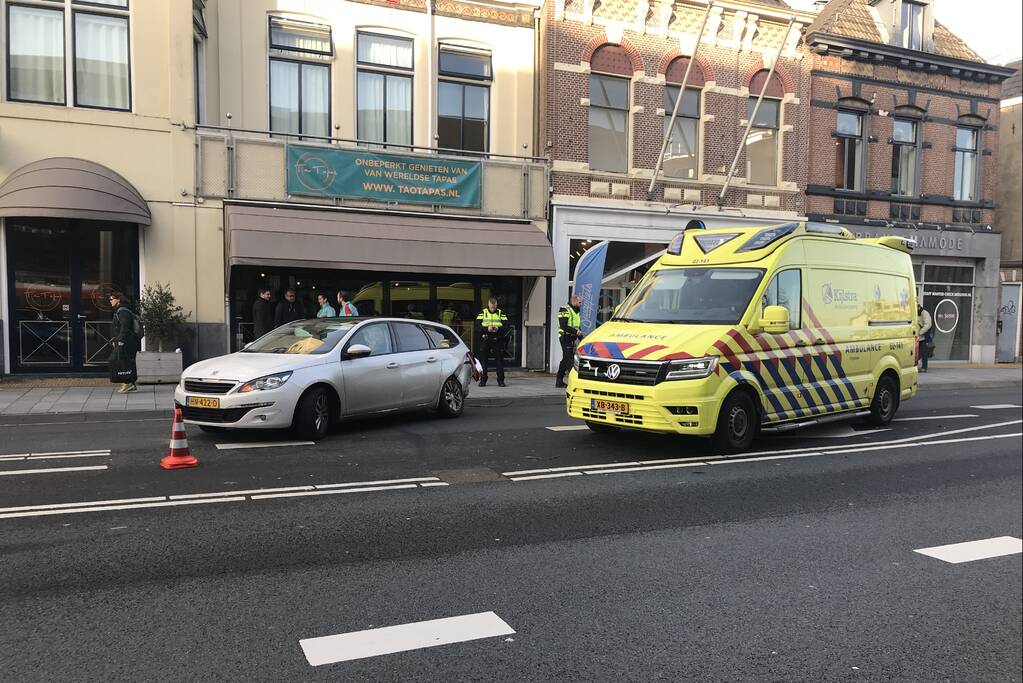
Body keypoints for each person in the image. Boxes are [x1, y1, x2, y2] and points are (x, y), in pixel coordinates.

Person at [109, 292, 140, 393]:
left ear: (118, 300)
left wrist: (121, 340)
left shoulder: (123, 312)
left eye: (111, 299)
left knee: (124, 362)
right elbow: (118, 328)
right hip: (126, 341)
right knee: (126, 361)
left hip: (127, 341)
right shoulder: (120, 311)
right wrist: (115, 340)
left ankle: (127, 383)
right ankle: (130, 383)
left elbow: (125, 328)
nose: (110, 301)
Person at [476, 297, 509, 387]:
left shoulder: (501, 313)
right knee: (484, 361)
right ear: (488, 304)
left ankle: (501, 381)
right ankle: (483, 380)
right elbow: (477, 326)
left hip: (497, 338)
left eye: (494, 307)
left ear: (496, 305)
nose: (493, 309)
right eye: (491, 307)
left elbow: (506, 326)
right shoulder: (483, 313)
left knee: (499, 361)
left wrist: (498, 329)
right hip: (485, 338)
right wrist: (487, 329)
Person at [555, 294, 583, 388]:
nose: (581, 304)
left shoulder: (576, 312)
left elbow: (577, 326)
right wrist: (576, 332)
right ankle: (573, 382)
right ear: (574, 301)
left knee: (565, 359)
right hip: (565, 337)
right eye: (579, 302)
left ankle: (559, 381)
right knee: (570, 359)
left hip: (572, 337)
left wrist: (582, 339)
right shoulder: (564, 309)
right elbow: (563, 325)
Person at [918, 304, 933, 372]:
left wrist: (920, 333)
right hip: (918, 336)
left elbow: (928, 325)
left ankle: (924, 367)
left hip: (924, 336)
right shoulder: (917, 313)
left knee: (924, 352)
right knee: (918, 353)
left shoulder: (925, 313)